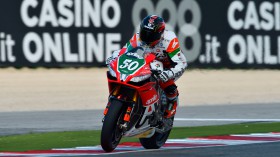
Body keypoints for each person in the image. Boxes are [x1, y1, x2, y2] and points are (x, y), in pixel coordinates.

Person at [106, 15, 187, 118]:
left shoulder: (170, 40)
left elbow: (180, 63)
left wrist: (169, 73)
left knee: (162, 79)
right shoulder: (138, 37)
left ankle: (173, 101)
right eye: (145, 33)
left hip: (170, 65)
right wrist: (114, 57)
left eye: (151, 35)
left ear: (161, 33)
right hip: (149, 62)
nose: (147, 38)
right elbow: (124, 51)